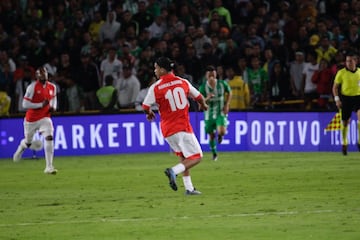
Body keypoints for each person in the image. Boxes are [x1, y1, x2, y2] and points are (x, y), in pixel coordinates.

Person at [142, 57, 208, 195]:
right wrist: (203, 104)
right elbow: (199, 97)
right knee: (197, 157)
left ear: (162, 69)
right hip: (182, 126)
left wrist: (149, 114)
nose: (155, 71)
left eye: (156, 68)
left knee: (184, 157)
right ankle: (173, 171)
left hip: (167, 130)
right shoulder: (183, 82)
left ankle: (189, 188)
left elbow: (145, 106)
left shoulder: (156, 87)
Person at [13, 67, 58, 174]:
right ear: (37, 76)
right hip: (31, 120)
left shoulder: (52, 87)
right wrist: (40, 105)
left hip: (45, 117)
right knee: (28, 142)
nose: (43, 76)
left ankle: (49, 167)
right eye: (41, 74)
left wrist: (53, 107)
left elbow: (53, 99)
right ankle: (21, 148)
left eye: (45, 73)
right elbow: (24, 104)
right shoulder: (32, 87)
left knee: (49, 137)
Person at [199, 65, 232, 161]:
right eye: (209, 75)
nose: (211, 76)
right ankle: (214, 153)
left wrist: (227, 104)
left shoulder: (222, 84)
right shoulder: (203, 88)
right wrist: (207, 98)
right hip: (208, 114)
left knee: (222, 131)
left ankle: (221, 135)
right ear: (206, 76)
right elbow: (200, 105)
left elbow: (230, 92)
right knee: (211, 135)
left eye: (213, 74)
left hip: (220, 112)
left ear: (215, 74)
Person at [332, 52, 360, 155]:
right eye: (347, 61)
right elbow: (335, 87)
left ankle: (359, 141)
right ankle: (344, 142)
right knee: (345, 122)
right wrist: (337, 99)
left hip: (358, 97)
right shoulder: (341, 72)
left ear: (355, 61)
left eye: (350, 61)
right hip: (346, 98)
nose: (348, 63)